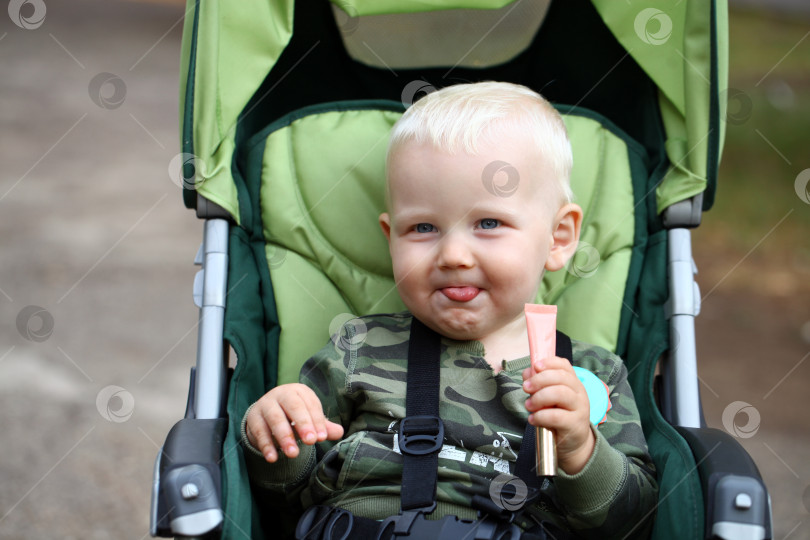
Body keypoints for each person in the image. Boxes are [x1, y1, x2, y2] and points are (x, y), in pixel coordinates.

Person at [241, 81, 658, 538]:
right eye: (423, 227)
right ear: (391, 237)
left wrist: (581, 448)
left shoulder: (591, 376)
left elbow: (630, 522)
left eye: (489, 223)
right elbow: (281, 496)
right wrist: (279, 434)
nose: (453, 255)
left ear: (558, 238)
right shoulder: (358, 348)